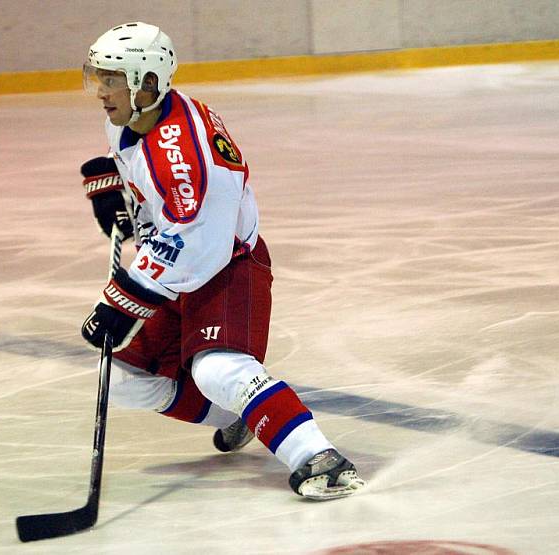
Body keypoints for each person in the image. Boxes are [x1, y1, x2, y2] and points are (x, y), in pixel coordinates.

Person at [78, 21, 364, 500]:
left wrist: (123, 302)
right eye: (98, 78)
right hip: (177, 263)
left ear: (147, 83)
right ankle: (243, 415)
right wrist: (111, 184)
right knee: (127, 381)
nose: (102, 92)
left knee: (217, 369)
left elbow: (200, 248)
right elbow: (138, 168)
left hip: (228, 264)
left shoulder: (187, 157)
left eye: (112, 80)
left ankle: (318, 457)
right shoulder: (134, 116)